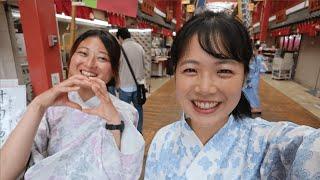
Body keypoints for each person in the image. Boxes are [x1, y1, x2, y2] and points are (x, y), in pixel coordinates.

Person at [145, 11, 320, 179]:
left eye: (224, 71)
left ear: (245, 77)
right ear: (174, 73)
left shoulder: (265, 145)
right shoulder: (163, 139)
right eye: (190, 69)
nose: (205, 88)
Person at [0, 30, 145, 179]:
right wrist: (38, 105)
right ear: (70, 59)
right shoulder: (52, 107)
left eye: (102, 58)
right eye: (83, 53)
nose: (89, 64)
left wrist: (114, 121)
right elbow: (5, 171)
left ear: (113, 70)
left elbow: (125, 172)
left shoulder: (126, 112)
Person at [116, 28, 145, 133]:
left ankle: (126, 133)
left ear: (120, 37)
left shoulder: (120, 49)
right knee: (139, 110)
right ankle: (139, 132)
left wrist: (117, 84)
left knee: (124, 112)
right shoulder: (140, 47)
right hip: (138, 86)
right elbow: (143, 66)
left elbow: (117, 67)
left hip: (125, 86)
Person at [242, 44, 266, 114]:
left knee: (254, 93)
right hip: (249, 78)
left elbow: (260, 69)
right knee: (247, 92)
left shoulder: (257, 58)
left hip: (254, 78)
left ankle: (257, 108)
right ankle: (252, 105)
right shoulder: (250, 58)